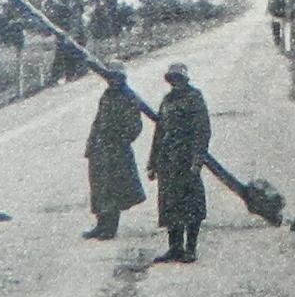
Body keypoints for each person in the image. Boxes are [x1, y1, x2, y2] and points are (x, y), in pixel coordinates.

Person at [147, 63, 211, 263]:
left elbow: (203, 131)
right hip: (167, 160)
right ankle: (174, 247)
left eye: (179, 79)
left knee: (191, 204)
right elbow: (159, 132)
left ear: (185, 79)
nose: (175, 82)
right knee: (169, 204)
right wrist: (152, 162)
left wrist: (197, 159)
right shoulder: (167, 100)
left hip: (186, 159)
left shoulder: (194, 98)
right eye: (172, 79)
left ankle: (190, 248)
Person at [83, 62, 145, 240]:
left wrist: (120, 140)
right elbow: (98, 121)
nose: (113, 80)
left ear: (122, 78)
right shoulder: (107, 95)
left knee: (114, 189)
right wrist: (91, 144)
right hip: (100, 149)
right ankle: (101, 224)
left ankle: (110, 228)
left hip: (117, 151)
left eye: (117, 77)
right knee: (99, 187)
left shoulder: (129, 97)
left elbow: (135, 125)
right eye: (111, 76)